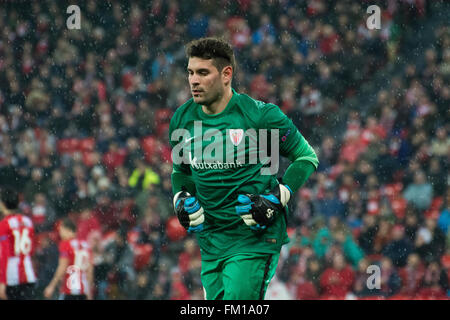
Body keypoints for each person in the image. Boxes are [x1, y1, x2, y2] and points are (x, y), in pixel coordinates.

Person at [168, 37, 318, 300]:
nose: (193, 80)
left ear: (227, 74)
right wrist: (180, 198)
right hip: (211, 242)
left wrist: (278, 196)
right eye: (190, 72)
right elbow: (181, 172)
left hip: (253, 238)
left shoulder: (260, 116)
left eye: (203, 72)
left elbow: (306, 157)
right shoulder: (182, 119)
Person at [0, 188, 37, 300]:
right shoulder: (27, 221)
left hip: (11, 277)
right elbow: (31, 250)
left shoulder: (4, 224)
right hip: (28, 274)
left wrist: (2, 282)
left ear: (2, 204)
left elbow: (5, 254)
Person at [44, 218, 93, 300]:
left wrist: (52, 286)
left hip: (70, 289)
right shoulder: (86, 245)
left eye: (61, 230)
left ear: (67, 230)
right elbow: (90, 270)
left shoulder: (66, 244)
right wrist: (89, 291)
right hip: (83, 291)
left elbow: (62, 267)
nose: (60, 234)